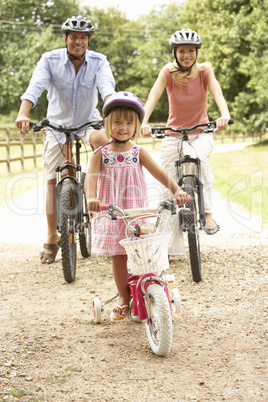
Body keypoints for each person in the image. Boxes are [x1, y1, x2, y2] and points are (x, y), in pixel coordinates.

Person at [15, 15, 116, 264]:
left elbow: (107, 90)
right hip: (56, 126)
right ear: (66, 38)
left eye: (83, 37)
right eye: (74, 37)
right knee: (51, 180)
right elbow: (35, 87)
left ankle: (97, 200)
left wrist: (114, 113)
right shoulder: (49, 60)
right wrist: (23, 113)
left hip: (87, 122)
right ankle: (51, 236)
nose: (78, 41)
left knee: (106, 144)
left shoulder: (99, 61)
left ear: (89, 40)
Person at [85, 92, 189, 317]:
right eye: (118, 122)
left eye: (129, 122)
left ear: (136, 126)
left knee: (146, 252)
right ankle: (124, 297)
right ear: (108, 125)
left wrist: (177, 190)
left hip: (137, 212)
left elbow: (160, 173)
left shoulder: (138, 152)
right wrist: (91, 198)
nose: (123, 127)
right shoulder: (100, 154)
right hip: (114, 213)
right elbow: (90, 178)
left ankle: (153, 288)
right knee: (119, 256)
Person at [141, 28, 231, 255]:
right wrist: (144, 121)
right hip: (173, 133)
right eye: (182, 51)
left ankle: (208, 214)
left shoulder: (205, 72)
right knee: (167, 182)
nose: (187, 55)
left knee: (199, 160)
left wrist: (224, 114)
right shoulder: (167, 72)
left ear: (197, 52)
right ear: (174, 52)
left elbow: (218, 93)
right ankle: (167, 246)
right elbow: (153, 96)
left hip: (201, 132)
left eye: (191, 51)